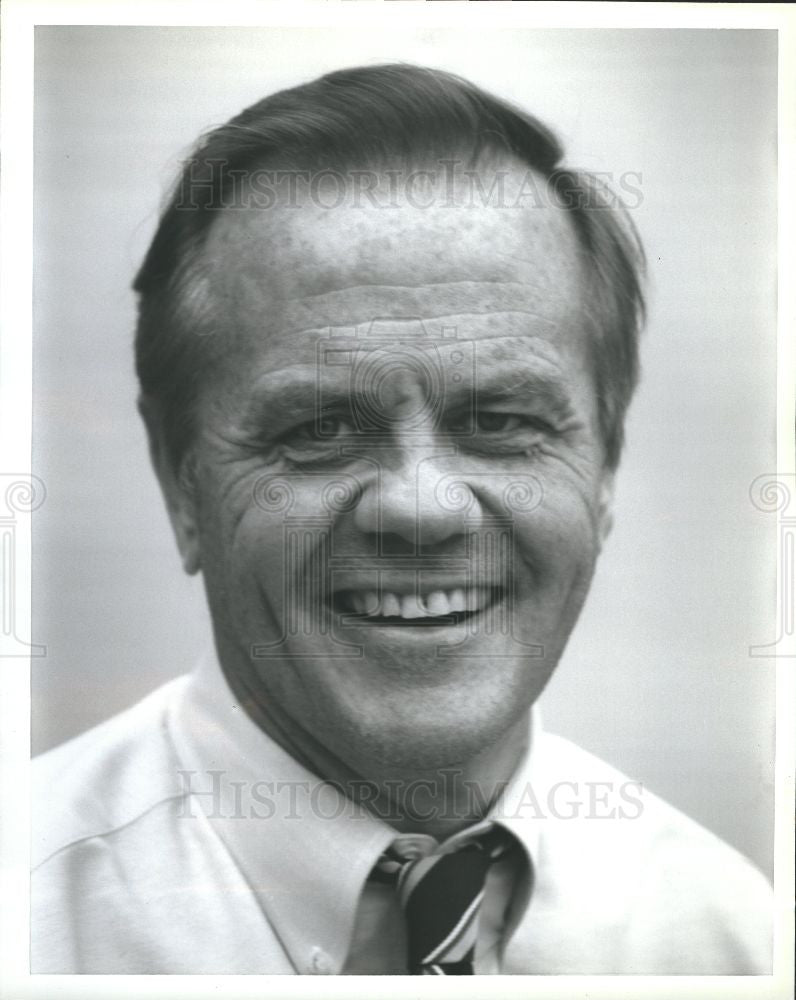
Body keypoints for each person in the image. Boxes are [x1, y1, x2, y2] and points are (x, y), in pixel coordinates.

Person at [31, 63, 772, 975]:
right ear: (180, 481)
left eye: (501, 423)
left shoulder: (727, 935)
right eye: (318, 429)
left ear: (605, 467)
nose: (422, 508)